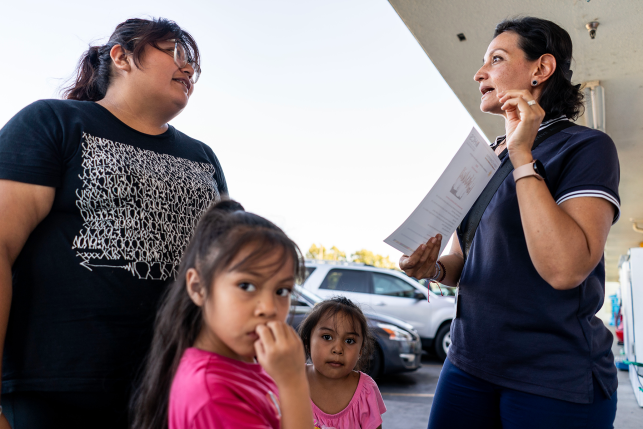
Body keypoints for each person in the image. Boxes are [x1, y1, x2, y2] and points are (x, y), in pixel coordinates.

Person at [0, 18, 227, 429]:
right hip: (53, 395)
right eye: (176, 53)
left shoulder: (203, 158)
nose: (189, 69)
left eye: (194, 63)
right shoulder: (53, 122)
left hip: (173, 397)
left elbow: (224, 280)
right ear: (122, 56)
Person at [400, 17, 620, 429]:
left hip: (552, 379)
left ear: (541, 69)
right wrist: (429, 268)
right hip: (467, 364)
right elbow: (462, 260)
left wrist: (522, 154)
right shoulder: (484, 158)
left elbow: (564, 269)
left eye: (496, 59)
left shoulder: (587, 147)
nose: (479, 73)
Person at [131, 199, 313, 429]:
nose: (269, 308)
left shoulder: (248, 362)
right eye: (246, 285)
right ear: (198, 288)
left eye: (282, 291)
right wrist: (293, 383)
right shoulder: (212, 394)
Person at [298, 296, 386, 429]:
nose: (338, 349)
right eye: (327, 337)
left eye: (349, 341)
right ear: (307, 341)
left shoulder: (366, 391)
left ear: (361, 350)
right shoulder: (291, 380)